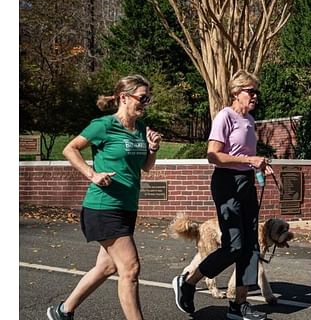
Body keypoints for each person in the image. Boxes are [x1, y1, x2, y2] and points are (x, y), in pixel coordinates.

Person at [47, 75, 162, 320]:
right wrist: (92, 174)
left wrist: (152, 149)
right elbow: (70, 148)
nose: (146, 103)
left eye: (148, 98)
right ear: (124, 97)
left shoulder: (141, 128)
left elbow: (146, 168)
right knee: (130, 268)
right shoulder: (104, 125)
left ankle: (63, 311)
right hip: (103, 206)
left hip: (127, 206)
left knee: (107, 266)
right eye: (142, 97)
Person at [173, 70, 273, 320]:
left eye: (256, 91)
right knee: (234, 246)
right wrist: (249, 159)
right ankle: (188, 282)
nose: (255, 96)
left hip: (246, 182)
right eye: (251, 91)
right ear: (236, 93)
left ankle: (239, 306)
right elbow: (212, 154)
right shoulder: (224, 117)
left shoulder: (249, 120)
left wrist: (259, 164)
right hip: (226, 183)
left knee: (250, 247)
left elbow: (244, 154)